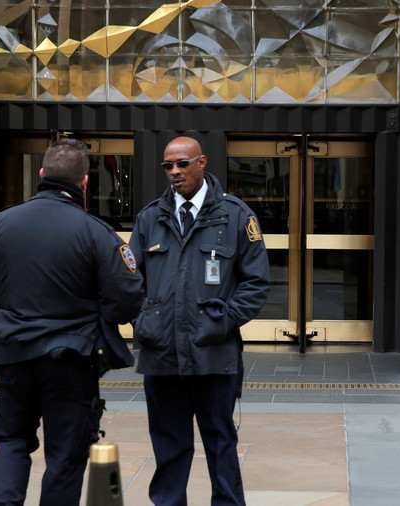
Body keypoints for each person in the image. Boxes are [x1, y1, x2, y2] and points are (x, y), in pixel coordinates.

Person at [0, 138, 144, 506]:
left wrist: (6, 309)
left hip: (13, 354)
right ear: (85, 181)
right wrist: (101, 315)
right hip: (71, 360)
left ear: (42, 175)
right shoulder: (95, 231)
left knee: (12, 439)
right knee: (66, 452)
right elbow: (127, 296)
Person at [129, 136, 270, 505]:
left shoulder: (236, 215)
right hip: (162, 356)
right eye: (168, 166)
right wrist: (145, 322)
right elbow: (128, 283)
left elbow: (256, 284)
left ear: (202, 162)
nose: (174, 172)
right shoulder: (150, 218)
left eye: (182, 164)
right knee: (169, 445)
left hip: (214, 354)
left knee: (220, 443)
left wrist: (223, 322)